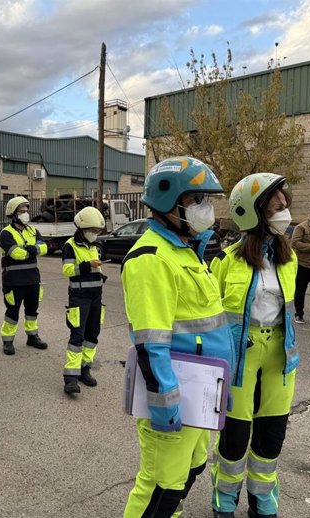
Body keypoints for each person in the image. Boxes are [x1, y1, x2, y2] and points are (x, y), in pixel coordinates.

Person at [121, 157, 236, 517]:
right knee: (159, 488)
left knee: (191, 470)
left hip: (201, 395)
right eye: (197, 200)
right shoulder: (151, 258)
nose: (206, 208)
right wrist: (166, 406)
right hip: (176, 401)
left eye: (207, 199)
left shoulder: (186, 251)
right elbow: (151, 342)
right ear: (168, 201)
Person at [209, 173, 299, 518]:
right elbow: (212, 312)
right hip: (239, 355)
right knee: (235, 433)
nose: (285, 212)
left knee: (272, 431)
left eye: (285, 205)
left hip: (279, 353)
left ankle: (262, 499)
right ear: (255, 211)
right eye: (277, 206)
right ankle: (224, 498)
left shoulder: (288, 258)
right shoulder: (228, 259)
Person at [61, 206, 106, 395]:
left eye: (97, 231)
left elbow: (95, 268)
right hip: (79, 297)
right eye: (93, 231)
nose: (95, 234)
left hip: (96, 296)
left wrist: (100, 275)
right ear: (82, 228)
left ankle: (84, 369)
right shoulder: (70, 246)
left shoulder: (95, 246)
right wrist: (88, 265)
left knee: (92, 335)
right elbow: (68, 271)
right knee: (77, 336)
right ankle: (70, 378)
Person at [0, 196, 49, 355]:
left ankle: (32, 337)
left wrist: (34, 249)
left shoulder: (33, 230)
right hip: (13, 281)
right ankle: (8, 340)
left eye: (26, 210)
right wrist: (33, 250)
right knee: (12, 312)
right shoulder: (6, 233)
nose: (25, 214)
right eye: (22, 211)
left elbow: (45, 248)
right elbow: (16, 254)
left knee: (32, 310)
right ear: (13, 214)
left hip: (32, 279)